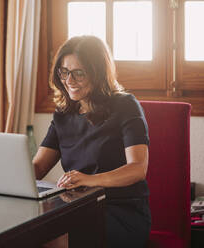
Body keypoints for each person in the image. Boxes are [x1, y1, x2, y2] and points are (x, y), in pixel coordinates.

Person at [33, 36, 151, 248]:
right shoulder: (63, 113)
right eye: (64, 71)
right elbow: (39, 166)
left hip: (121, 212)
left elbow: (137, 169)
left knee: (54, 240)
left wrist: (89, 179)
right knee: (30, 234)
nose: (69, 80)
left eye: (79, 73)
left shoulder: (125, 106)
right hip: (78, 208)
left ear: (98, 73)